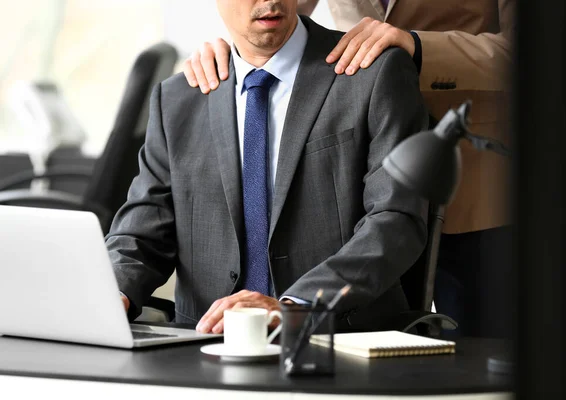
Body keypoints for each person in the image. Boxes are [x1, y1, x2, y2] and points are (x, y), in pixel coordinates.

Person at [182, 0, 515, 338]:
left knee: (482, 357)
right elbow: (277, 8)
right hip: (359, 183)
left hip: (475, 180)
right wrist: (237, 48)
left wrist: (415, 45)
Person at [107, 0, 429, 335]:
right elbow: (143, 228)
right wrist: (112, 293)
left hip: (334, 341)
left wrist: (296, 307)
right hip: (202, 349)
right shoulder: (177, 98)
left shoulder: (374, 72)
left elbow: (396, 219)